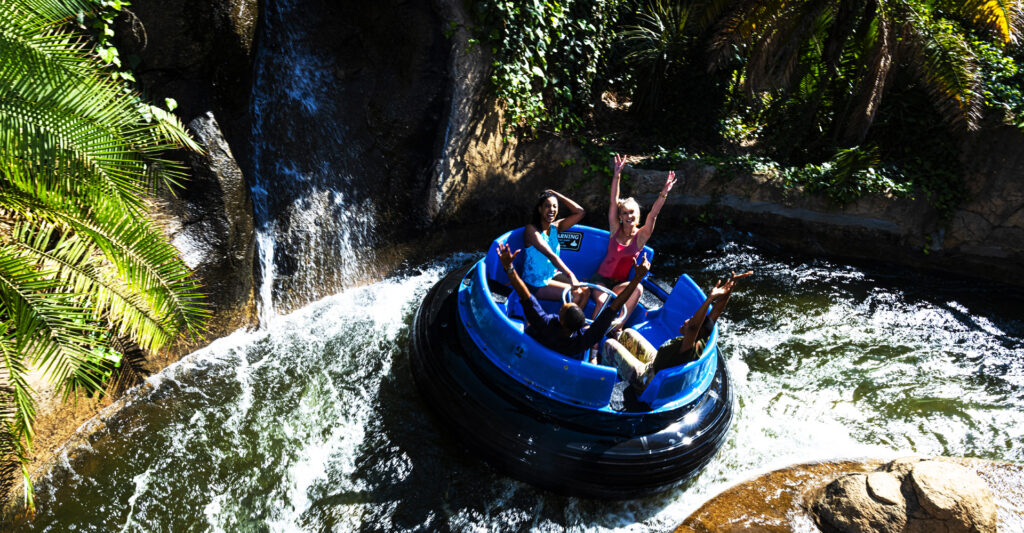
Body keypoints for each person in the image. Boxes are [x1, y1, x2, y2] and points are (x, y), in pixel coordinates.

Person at [604, 270, 752, 392]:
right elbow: (716, 312)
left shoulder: (687, 347)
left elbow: (694, 327)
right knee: (628, 334)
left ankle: (606, 377)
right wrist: (731, 286)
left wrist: (710, 298)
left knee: (609, 344)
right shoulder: (703, 337)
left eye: (690, 322)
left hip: (648, 380)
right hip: (655, 363)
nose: (687, 321)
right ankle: (619, 345)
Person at [498, 242, 650, 359]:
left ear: (562, 319)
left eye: (564, 308)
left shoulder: (543, 323)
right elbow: (615, 307)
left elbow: (525, 295)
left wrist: (509, 267)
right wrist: (637, 278)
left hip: (536, 350)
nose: (562, 306)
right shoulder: (585, 340)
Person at [590, 154, 677, 324]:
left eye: (632, 212)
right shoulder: (615, 229)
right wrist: (617, 175)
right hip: (600, 280)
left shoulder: (640, 237)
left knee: (637, 287)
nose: (629, 215)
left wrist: (664, 193)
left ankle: (618, 327)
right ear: (620, 217)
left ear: (637, 215)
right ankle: (591, 343)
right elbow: (613, 202)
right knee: (602, 302)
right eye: (625, 213)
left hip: (618, 285)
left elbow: (653, 215)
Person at [522, 189, 588, 306]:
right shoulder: (531, 230)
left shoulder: (556, 227)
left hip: (551, 274)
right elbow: (551, 256)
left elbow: (580, 212)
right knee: (575, 294)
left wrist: (557, 196)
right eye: (547, 206)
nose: (551, 210)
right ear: (540, 209)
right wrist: (571, 275)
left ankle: (575, 323)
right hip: (535, 282)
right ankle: (564, 324)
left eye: (554, 206)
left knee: (585, 291)